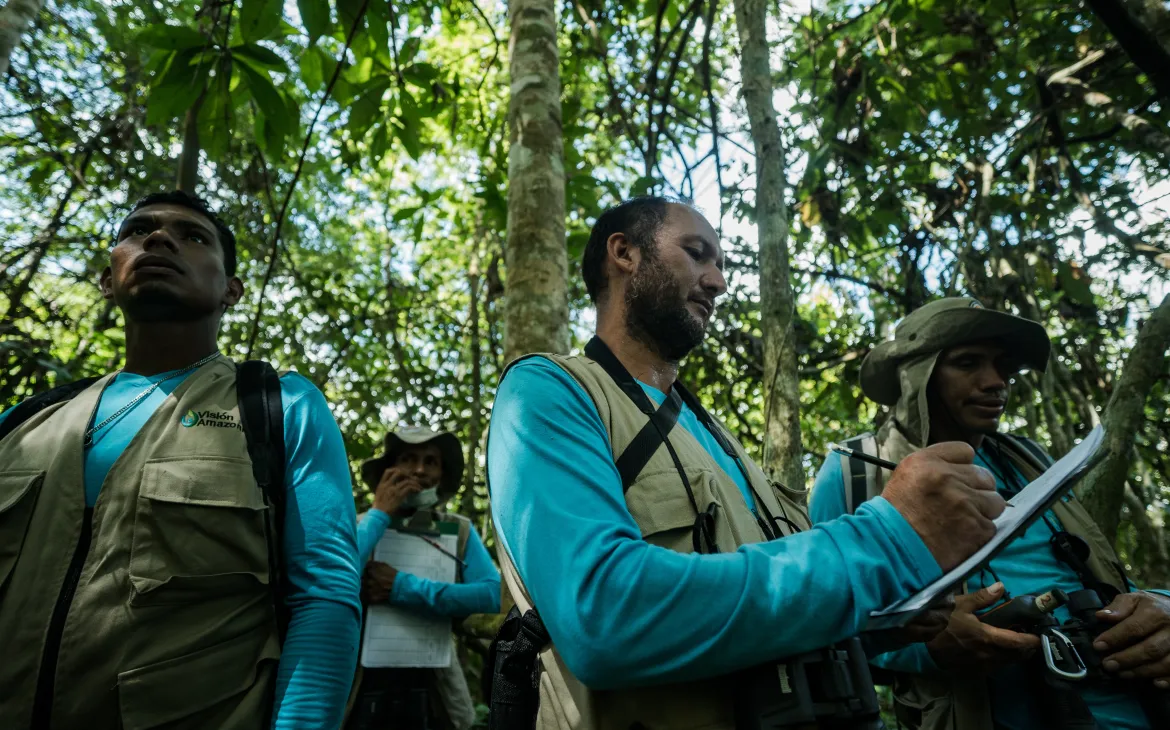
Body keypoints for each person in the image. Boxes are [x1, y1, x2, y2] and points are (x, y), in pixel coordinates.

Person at [485, 196, 1009, 730]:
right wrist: (886, 542)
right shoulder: (549, 391)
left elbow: (765, 605)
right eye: (697, 254)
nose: (718, 282)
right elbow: (602, 616)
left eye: (721, 266)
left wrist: (888, 619)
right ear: (624, 253)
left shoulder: (718, 439)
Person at [0, 191, 362, 729]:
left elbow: (324, 595)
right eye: (137, 230)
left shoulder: (276, 404)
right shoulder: (24, 422)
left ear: (231, 291)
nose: (159, 238)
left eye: (193, 236)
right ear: (108, 279)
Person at [810, 297, 1170, 730]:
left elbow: (1099, 571)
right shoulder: (854, 470)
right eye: (968, 364)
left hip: (1128, 698)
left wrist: (1158, 608)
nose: (996, 381)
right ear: (916, 376)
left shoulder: (1026, 458)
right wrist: (927, 646)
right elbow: (824, 625)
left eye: (1002, 366)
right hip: (981, 710)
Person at [346, 426, 501, 730]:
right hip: (360, 685)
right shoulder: (359, 525)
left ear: (441, 475)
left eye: (431, 462)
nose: (419, 469)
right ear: (389, 469)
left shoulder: (459, 531)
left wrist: (402, 588)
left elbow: (492, 595)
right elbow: (333, 580)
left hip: (432, 688)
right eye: (409, 458)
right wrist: (380, 513)